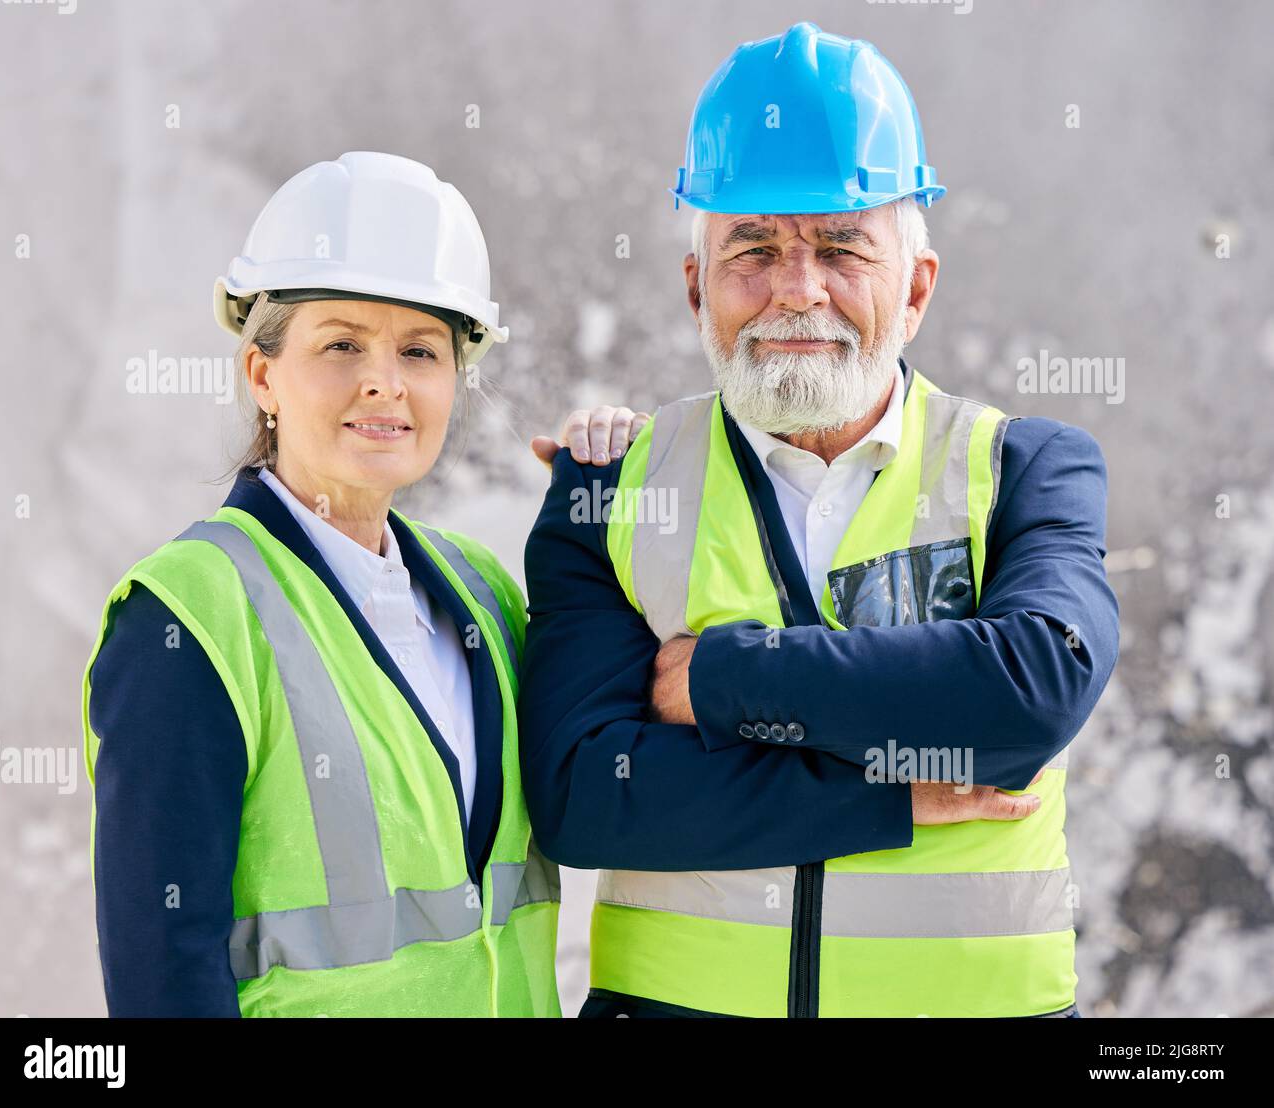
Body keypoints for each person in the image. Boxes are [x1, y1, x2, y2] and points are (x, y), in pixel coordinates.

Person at [518, 24, 1119, 1017]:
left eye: (841, 247)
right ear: (693, 287)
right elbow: (587, 795)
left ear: (915, 288)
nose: (796, 288)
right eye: (751, 247)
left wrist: (721, 678)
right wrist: (884, 792)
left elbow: (1024, 697)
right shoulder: (609, 486)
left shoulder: (1024, 468)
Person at [81, 152, 646, 1017]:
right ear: (263, 375)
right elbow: (161, 971)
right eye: (341, 343)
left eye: (421, 350)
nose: (384, 380)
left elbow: (615, 762)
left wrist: (621, 508)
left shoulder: (483, 594)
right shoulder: (190, 616)